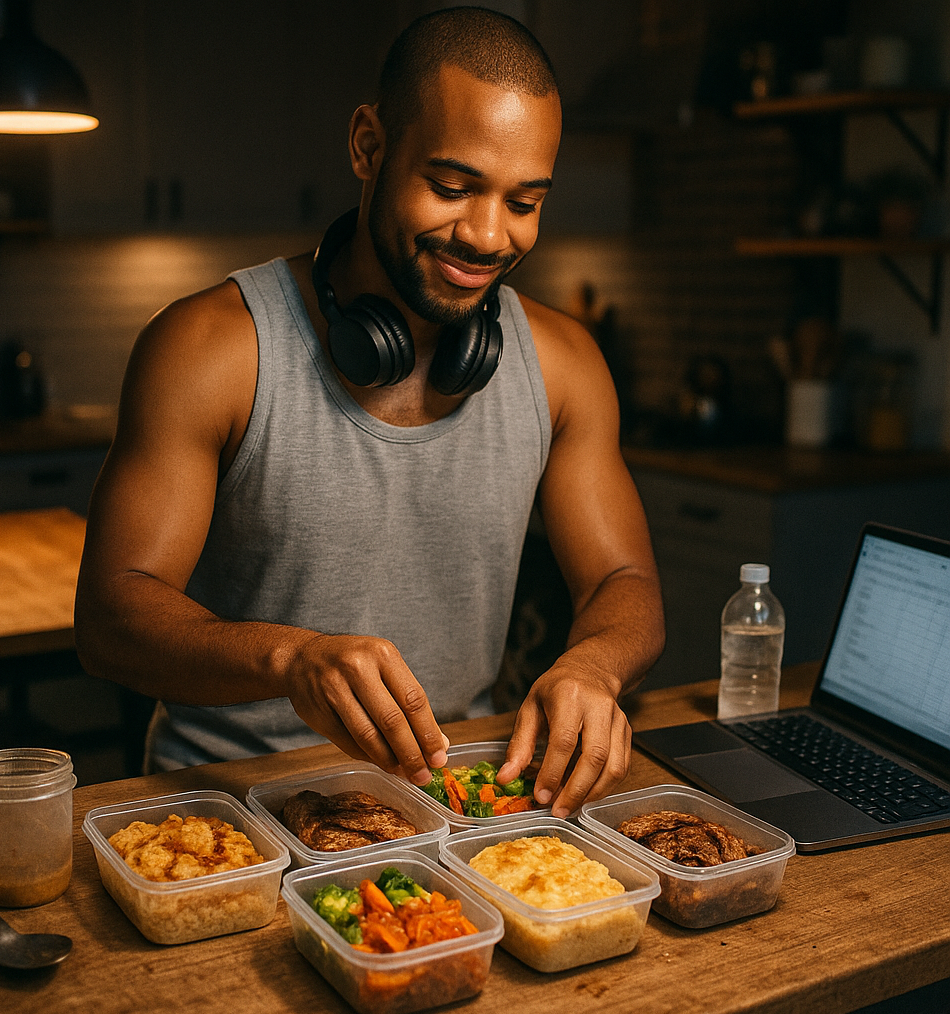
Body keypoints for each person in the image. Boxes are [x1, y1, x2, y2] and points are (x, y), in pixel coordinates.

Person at [74, 6, 664, 818]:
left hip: (452, 805)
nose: (489, 236)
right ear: (368, 146)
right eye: (452, 187)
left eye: (524, 201)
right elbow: (110, 616)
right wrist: (292, 659)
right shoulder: (209, 348)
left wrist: (593, 666)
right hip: (221, 817)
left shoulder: (565, 364)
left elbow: (623, 579)